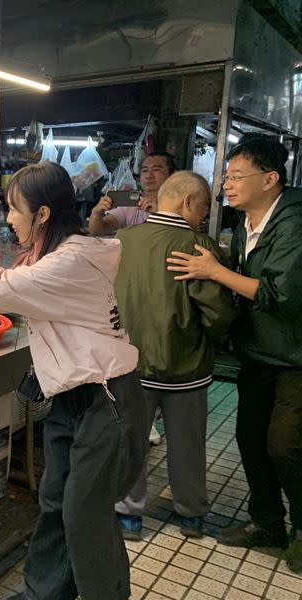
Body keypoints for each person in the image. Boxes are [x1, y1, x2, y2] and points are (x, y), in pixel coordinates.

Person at [0, 162, 148, 600]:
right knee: (55, 503)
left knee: (84, 514)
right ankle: (44, 593)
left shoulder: (72, 260)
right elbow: (12, 283)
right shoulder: (53, 252)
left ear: (44, 214)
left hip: (107, 402)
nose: (9, 219)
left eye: (15, 209)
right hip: (72, 400)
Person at [167, 136, 302, 573]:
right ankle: (267, 523)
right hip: (258, 353)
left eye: (237, 176)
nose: (227, 183)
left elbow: (280, 296)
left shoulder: (294, 223)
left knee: (286, 445)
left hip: (296, 356)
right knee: (250, 438)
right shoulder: (246, 224)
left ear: (271, 178)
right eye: (226, 175)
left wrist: (215, 272)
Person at [113, 171, 235, 541]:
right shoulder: (199, 246)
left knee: (131, 440)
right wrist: (209, 344)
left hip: (131, 364)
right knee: (188, 444)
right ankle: (192, 515)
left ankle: (129, 515)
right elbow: (217, 314)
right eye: (202, 208)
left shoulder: (122, 240)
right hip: (186, 367)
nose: (202, 216)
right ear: (187, 203)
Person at [89, 152, 176, 236]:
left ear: (172, 175)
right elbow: (98, 231)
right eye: (145, 170)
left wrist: (159, 213)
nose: (149, 175)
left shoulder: (180, 204)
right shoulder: (132, 204)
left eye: (156, 170)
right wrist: (96, 213)